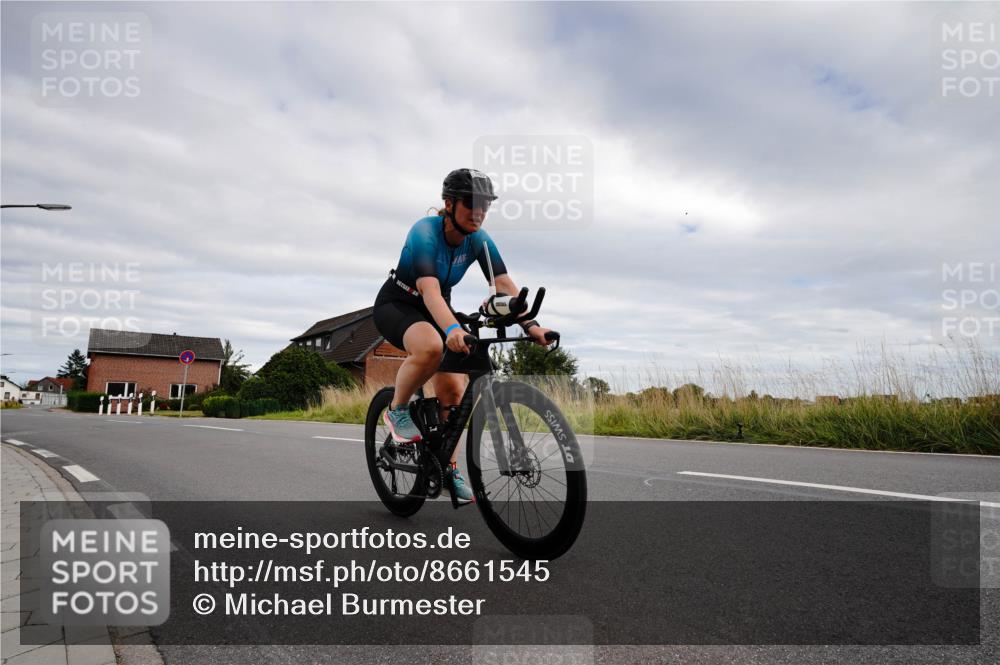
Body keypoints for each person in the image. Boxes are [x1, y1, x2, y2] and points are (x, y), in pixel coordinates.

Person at [373, 168, 555, 503]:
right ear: (449, 204)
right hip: (399, 304)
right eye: (471, 204)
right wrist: (452, 329)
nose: (479, 212)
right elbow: (429, 291)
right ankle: (397, 409)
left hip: (438, 307)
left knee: (455, 391)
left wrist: (532, 326)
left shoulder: (479, 239)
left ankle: (447, 468)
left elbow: (504, 284)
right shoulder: (424, 232)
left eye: (485, 205)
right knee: (430, 346)